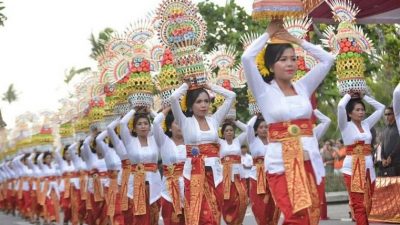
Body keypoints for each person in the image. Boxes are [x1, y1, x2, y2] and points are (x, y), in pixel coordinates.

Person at [242, 19, 335, 224]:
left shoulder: (303, 87)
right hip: (281, 162)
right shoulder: (264, 91)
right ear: (270, 65)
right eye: (283, 59)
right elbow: (247, 57)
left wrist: (298, 41)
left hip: (309, 158)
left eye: (293, 59)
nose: (290, 64)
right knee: (295, 216)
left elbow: (328, 60)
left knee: (310, 217)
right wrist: (268, 34)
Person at [170, 81, 236, 225]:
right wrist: (187, 85)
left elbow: (231, 96)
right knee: (199, 215)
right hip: (193, 174)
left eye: (206, 101)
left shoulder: (214, 121)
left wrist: (209, 86)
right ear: (190, 105)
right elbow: (174, 98)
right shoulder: (185, 122)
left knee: (214, 214)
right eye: (199, 101)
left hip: (216, 175)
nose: (203, 105)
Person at [337, 93, 385, 225]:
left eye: (362, 109)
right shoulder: (345, 126)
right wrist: (349, 95)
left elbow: (381, 108)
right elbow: (341, 106)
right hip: (352, 169)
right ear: (350, 113)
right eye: (357, 110)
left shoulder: (366, 124)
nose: (361, 112)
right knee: (359, 205)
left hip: (369, 169)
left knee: (368, 203)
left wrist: (364, 97)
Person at [120, 108, 162, 225]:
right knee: (140, 218)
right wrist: (134, 110)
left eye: (145, 123)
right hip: (137, 183)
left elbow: (159, 121)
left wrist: (150, 110)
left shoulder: (154, 139)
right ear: (134, 128)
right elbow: (123, 123)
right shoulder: (130, 141)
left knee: (154, 214)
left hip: (154, 183)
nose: (143, 126)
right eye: (139, 124)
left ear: (149, 126)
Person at [153, 107, 186, 225]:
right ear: (169, 127)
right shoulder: (164, 141)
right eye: (177, 123)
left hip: (190, 189)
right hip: (169, 192)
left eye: (182, 122)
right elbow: (156, 123)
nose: (180, 126)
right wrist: (169, 107)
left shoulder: (191, 141)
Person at [246, 115, 280, 225]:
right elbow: (249, 126)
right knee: (259, 207)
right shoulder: (252, 141)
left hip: (272, 175)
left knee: (274, 205)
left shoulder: (273, 140)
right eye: (261, 127)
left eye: (266, 127)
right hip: (256, 177)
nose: (264, 129)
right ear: (256, 130)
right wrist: (257, 114)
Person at [218, 120, 248, 225]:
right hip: (225, 177)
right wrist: (220, 122)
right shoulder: (219, 142)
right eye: (226, 130)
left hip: (238, 176)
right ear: (223, 133)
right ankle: (230, 222)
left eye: (231, 130)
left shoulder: (238, 141)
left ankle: (238, 222)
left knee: (242, 199)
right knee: (228, 202)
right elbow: (211, 133)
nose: (229, 132)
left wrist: (235, 122)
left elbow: (248, 130)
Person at [313, 109, 331, 220]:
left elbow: (327, 121)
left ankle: (322, 214)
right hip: (298, 167)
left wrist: (313, 109)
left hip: (315, 167)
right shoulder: (289, 130)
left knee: (320, 191)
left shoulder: (313, 132)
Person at [54, 145, 78, 225]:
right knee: (66, 206)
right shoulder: (62, 163)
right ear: (64, 154)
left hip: (74, 187)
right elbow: (56, 152)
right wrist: (63, 144)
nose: (69, 155)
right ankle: (66, 219)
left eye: (70, 153)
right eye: (67, 153)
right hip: (64, 188)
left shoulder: (75, 162)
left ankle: (74, 222)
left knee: (74, 206)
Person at [379, 106, 400, 176]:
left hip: (397, 163)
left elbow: (398, 144)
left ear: (394, 114)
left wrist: (391, 156)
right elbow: (382, 145)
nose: (386, 116)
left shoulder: (398, 127)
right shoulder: (385, 129)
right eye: (385, 114)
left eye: (389, 114)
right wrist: (382, 158)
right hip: (386, 164)